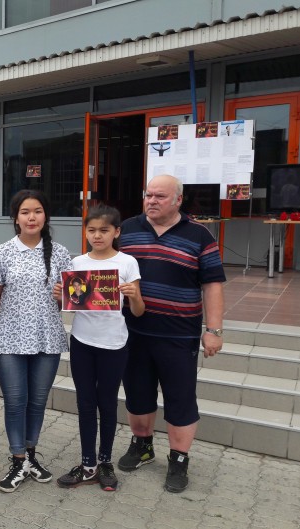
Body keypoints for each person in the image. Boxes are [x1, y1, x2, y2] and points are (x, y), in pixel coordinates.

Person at [118, 174, 225, 493]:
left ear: (178, 200)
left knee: (180, 399)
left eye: (160, 196)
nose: (151, 200)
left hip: (179, 336)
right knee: (137, 394)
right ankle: (142, 446)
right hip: (133, 332)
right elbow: (103, 269)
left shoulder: (199, 235)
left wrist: (213, 330)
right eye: (148, 194)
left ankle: (179, 459)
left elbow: (212, 285)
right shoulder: (127, 229)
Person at [53, 204, 144, 492]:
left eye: (104, 230)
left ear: (116, 232)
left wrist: (133, 296)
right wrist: (59, 296)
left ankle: (105, 462)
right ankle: (88, 464)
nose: (97, 235)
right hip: (82, 342)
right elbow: (69, 305)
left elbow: (139, 311)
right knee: (85, 403)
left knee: (107, 403)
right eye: (91, 230)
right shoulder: (77, 263)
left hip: (114, 344)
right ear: (85, 232)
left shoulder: (127, 263)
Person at [0, 189, 72, 493]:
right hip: (9, 339)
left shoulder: (60, 253)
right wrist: (17, 318)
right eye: (25, 212)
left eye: (37, 211)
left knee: (37, 401)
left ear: (45, 216)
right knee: (15, 401)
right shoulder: (2, 252)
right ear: (16, 218)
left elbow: (70, 300)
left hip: (47, 337)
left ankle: (31, 456)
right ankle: (17, 460)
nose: (31, 217)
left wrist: (62, 297)